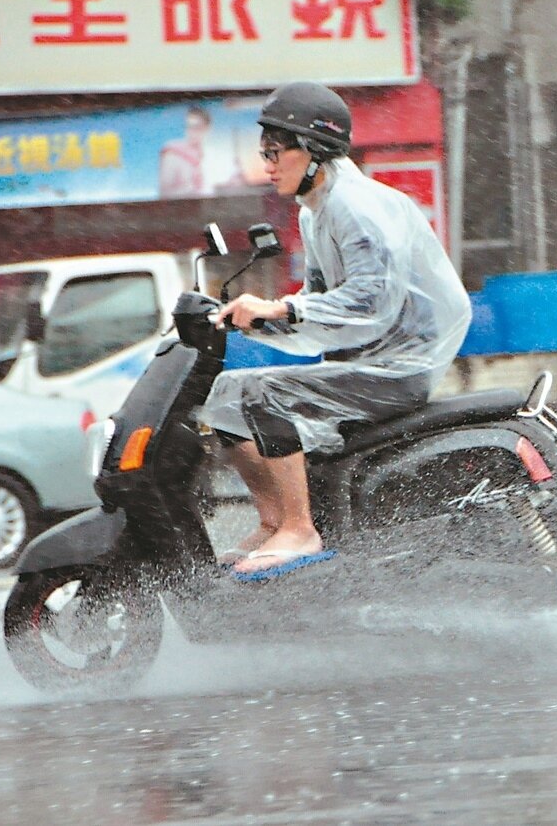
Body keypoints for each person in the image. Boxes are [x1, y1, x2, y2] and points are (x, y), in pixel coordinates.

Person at [199, 82, 472, 579]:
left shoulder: (355, 206)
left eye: (275, 152)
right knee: (224, 394)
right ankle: (274, 521)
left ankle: (300, 529)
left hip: (398, 368)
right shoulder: (316, 210)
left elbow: (371, 299)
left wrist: (279, 309)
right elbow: (320, 300)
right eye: (264, 153)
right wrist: (258, 320)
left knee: (263, 394)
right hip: (367, 360)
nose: (267, 164)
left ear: (313, 149)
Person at [158, 106, 211, 197]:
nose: (191, 132)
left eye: (196, 127)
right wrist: (191, 191)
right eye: (188, 127)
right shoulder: (173, 152)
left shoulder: (208, 156)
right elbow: (164, 194)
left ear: (206, 129)